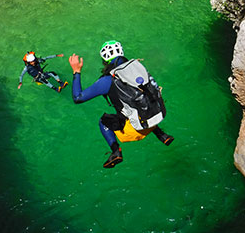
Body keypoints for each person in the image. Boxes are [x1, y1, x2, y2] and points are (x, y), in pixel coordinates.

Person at [68, 40, 174, 168]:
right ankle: (162, 135)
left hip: (138, 128)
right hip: (157, 116)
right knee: (140, 99)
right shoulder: (137, 66)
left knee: (103, 121)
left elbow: (77, 98)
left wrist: (76, 70)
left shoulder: (107, 80)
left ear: (105, 61)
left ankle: (115, 152)